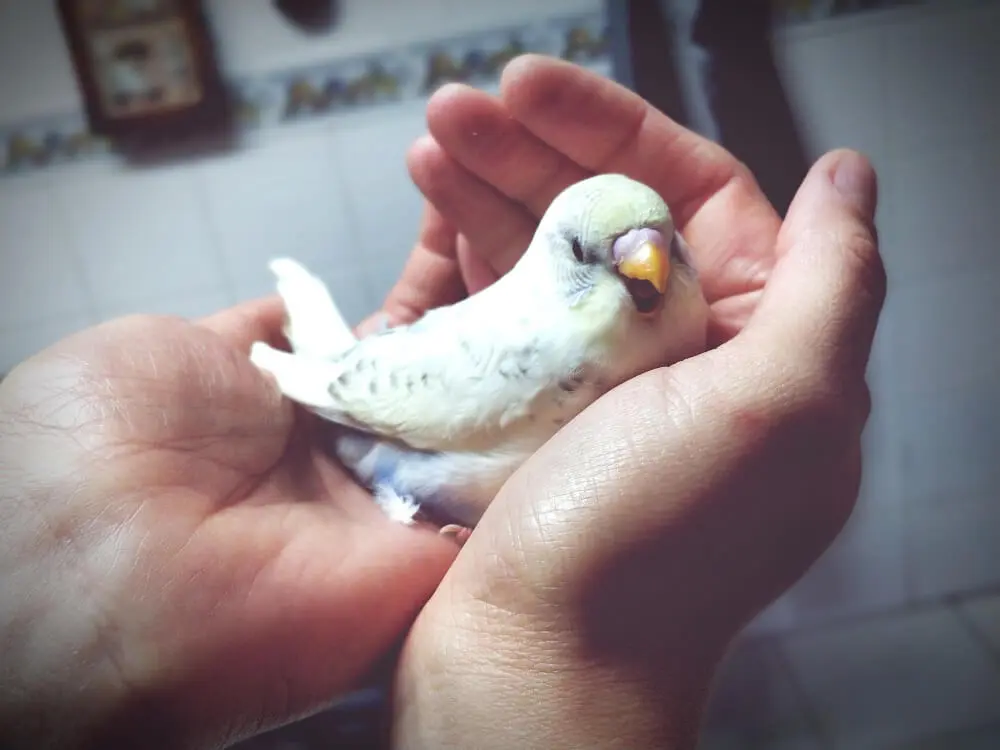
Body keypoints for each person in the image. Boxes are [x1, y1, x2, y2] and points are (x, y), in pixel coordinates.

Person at [0, 54, 885, 749]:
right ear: (557, 256)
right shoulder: (552, 357)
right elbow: (416, 431)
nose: (645, 270)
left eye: (664, 253)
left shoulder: (644, 329)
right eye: (603, 256)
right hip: (378, 421)